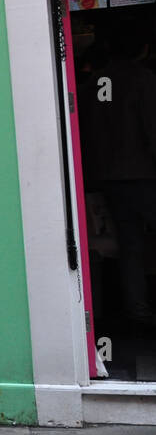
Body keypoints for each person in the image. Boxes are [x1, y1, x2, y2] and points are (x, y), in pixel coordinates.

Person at [82, 29, 156, 325]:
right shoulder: (144, 80)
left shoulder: (92, 85)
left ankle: (137, 310)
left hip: (109, 178)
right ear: (144, 49)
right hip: (144, 175)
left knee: (130, 245)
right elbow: (152, 129)